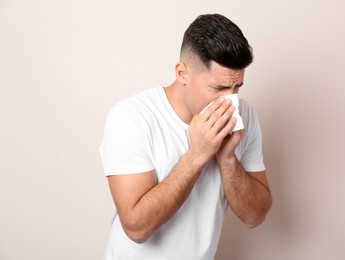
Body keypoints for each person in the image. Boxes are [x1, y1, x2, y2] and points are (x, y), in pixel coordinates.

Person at [100, 13, 272, 260]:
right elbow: (136, 228)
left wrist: (227, 159)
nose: (231, 101)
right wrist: (198, 153)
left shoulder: (245, 115)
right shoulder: (131, 117)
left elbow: (255, 216)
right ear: (183, 73)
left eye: (237, 87)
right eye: (219, 88)